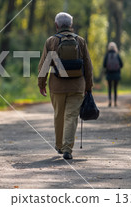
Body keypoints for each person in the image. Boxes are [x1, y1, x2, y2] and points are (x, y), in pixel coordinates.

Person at [37, 12, 93, 160]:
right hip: (77, 86)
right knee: (71, 117)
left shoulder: (51, 41)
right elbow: (88, 65)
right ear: (71, 25)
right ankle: (67, 148)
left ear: (56, 25)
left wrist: (41, 84)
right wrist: (89, 86)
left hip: (57, 86)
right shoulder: (80, 41)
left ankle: (60, 146)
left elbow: (44, 65)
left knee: (59, 115)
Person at [103, 42, 123, 107]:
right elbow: (122, 64)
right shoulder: (117, 55)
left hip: (109, 74)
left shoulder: (107, 55)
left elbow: (104, 65)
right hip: (116, 74)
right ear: (115, 47)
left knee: (109, 88)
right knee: (115, 88)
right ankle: (115, 102)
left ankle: (109, 101)